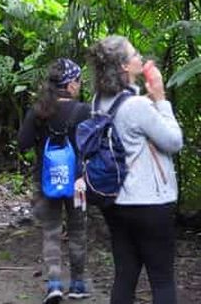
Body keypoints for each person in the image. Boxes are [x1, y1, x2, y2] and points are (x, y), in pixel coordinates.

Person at [86, 36, 183, 304]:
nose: (140, 57)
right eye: (134, 54)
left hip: (115, 201)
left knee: (125, 275)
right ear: (123, 67)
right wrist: (161, 99)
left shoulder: (98, 102)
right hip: (150, 203)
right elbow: (174, 142)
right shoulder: (137, 106)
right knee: (161, 279)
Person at [18, 59, 91, 302]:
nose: (79, 86)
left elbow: (23, 143)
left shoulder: (38, 111)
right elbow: (93, 146)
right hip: (78, 182)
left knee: (51, 231)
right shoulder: (83, 111)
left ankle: (55, 283)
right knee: (78, 230)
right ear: (70, 85)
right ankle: (78, 284)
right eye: (79, 82)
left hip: (46, 180)